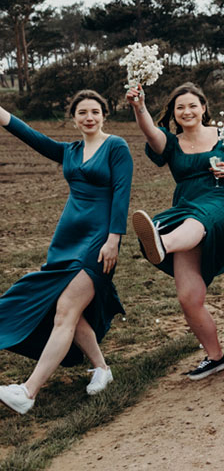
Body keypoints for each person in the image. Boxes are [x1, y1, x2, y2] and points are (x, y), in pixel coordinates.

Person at [0, 91, 131, 414]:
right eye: (82, 112)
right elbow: (28, 134)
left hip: (99, 240)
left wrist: (114, 238)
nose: (89, 117)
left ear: (104, 115)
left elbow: (121, 192)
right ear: (73, 118)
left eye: (95, 111)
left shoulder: (116, 146)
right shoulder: (68, 151)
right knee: (72, 311)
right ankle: (101, 368)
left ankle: (28, 392)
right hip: (66, 240)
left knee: (65, 311)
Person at [127, 82, 224, 380]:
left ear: (203, 108)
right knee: (188, 296)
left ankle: (162, 242)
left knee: (199, 221)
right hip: (188, 207)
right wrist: (139, 107)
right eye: (180, 107)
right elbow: (150, 132)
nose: (186, 111)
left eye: (192, 105)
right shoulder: (171, 143)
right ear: (173, 114)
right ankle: (215, 357)